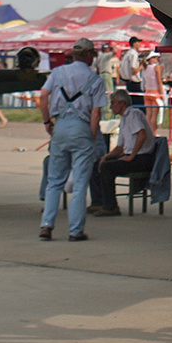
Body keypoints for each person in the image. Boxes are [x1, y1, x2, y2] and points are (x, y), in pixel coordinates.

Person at [38, 37, 105, 242]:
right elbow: (95, 113)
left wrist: (47, 122)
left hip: (60, 126)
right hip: (82, 127)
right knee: (79, 184)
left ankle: (46, 225)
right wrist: (92, 137)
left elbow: (43, 95)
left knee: (54, 181)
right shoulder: (95, 80)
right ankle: (75, 231)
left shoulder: (57, 73)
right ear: (88, 56)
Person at [89, 89, 156, 216]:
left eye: (113, 103)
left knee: (107, 168)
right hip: (133, 156)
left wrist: (131, 156)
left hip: (142, 158)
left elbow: (142, 135)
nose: (111, 106)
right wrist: (106, 156)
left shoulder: (134, 114)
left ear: (122, 103)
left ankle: (111, 206)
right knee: (98, 164)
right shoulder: (124, 119)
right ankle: (99, 201)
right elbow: (119, 147)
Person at [118, 36, 144, 107]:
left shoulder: (128, 53)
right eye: (138, 42)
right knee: (139, 105)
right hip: (134, 83)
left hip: (128, 82)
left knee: (132, 103)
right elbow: (133, 71)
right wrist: (141, 66)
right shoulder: (134, 54)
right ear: (134, 43)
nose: (139, 44)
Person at [142, 51, 164, 130]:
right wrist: (162, 95)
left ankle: (148, 133)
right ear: (150, 58)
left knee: (148, 115)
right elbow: (159, 82)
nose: (156, 59)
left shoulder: (145, 68)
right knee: (154, 115)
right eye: (155, 57)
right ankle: (153, 133)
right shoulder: (156, 67)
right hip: (155, 92)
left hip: (147, 92)